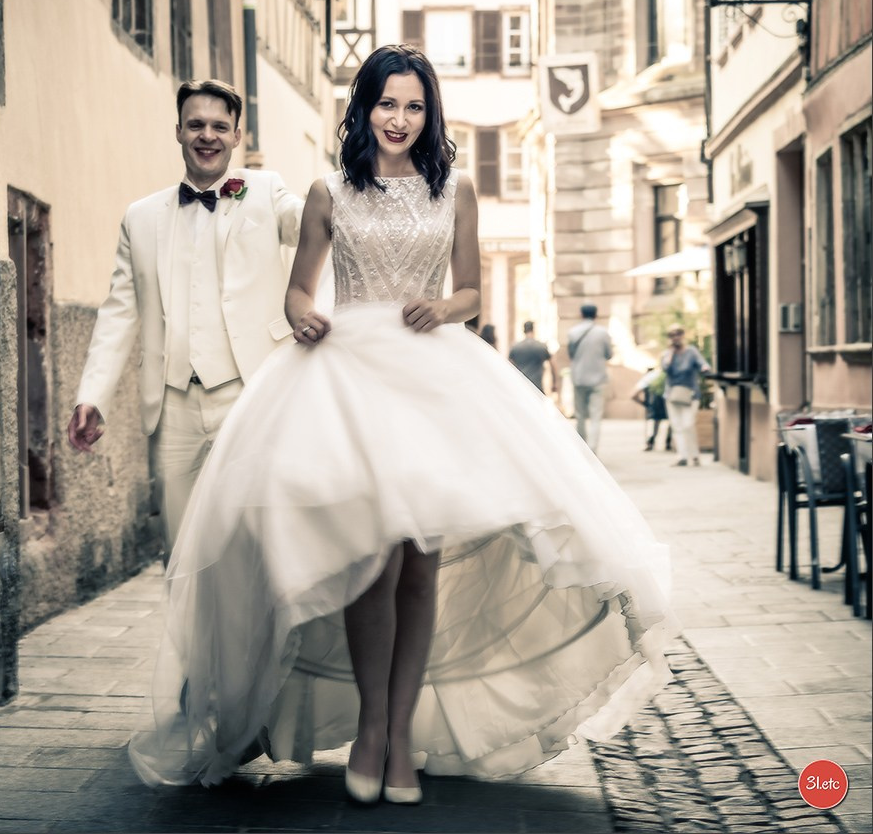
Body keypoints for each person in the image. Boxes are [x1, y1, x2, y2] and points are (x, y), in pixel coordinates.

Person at [127, 45, 676, 804]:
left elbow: (473, 291)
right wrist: (307, 319)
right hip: (348, 381)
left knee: (420, 564)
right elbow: (296, 293)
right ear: (365, 107)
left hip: (432, 381)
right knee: (368, 562)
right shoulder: (327, 192)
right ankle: (374, 731)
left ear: (430, 113)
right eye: (387, 104)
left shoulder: (456, 189)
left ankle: (399, 737)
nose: (399, 118)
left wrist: (444, 306)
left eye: (414, 106)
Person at [67, 79, 304, 561]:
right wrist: (92, 395)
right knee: (182, 553)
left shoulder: (266, 191)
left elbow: (312, 223)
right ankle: (190, 639)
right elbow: (118, 313)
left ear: (238, 136)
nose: (207, 136)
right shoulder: (140, 217)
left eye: (220, 126)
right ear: (177, 131)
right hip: (172, 407)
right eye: (196, 124)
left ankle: (250, 638)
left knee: (251, 545)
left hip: (249, 395)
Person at [662, 323, 710, 467]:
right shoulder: (667, 353)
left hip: (690, 394)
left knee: (688, 424)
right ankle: (682, 456)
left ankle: (694, 456)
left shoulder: (691, 351)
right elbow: (665, 368)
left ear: (683, 335)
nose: (675, 337)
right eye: (672, 335)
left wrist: (704, 368)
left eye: (678, 334)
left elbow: (703, 363)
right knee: (677, 426)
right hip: (672, 394)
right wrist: (671, 352)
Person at [567, 303, 612, 452]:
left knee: (580, 415)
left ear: (581, 314)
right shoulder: (603, 333)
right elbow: (609, 354)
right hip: (598, 378)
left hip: (579, 377)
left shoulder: (573, 332)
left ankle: (582, 448)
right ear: (596, 314)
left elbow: (571, 355)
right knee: (596, 416)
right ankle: (593, 449)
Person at [509, 320, 559, 396]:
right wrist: (554, 383)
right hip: (537, 387)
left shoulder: (515, 347)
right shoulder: (541, 347)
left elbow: (509, 366)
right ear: (533, 330)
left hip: (521, 387)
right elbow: (553, 365)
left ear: (524, 331)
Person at [632, 368, 672, 452]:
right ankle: (668, 442)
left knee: (655, 422)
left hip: (654, 404)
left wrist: (645, 404)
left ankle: (651, 442)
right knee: (671, 421)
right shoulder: (669, 374)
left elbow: (633, 395)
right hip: (668, 403)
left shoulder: (649, 377)